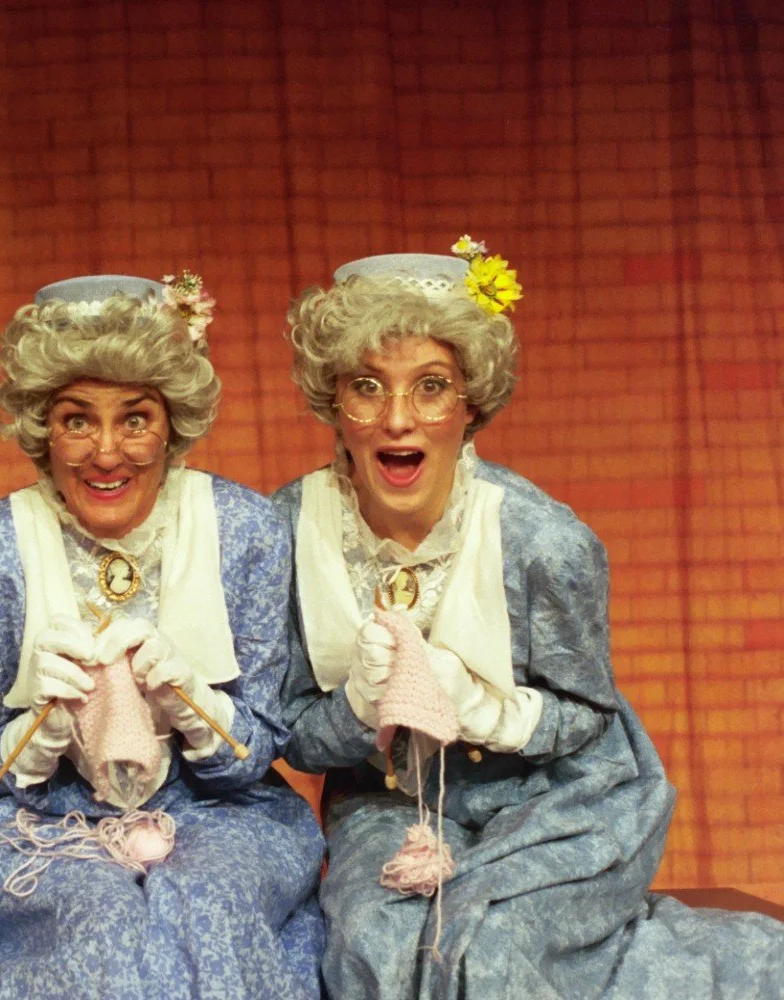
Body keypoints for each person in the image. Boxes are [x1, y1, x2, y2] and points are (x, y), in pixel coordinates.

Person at [272, 239, 784, 998]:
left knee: (487, 947)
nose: (398, 419)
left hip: (561, 795)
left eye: (432, 386)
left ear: (471, 404)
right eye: (367, 388)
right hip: (391, 802)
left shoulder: (546, 542)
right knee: (377, 948)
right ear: (333, 402)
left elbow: (586, 716)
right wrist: (357, 708)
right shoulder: (286, 529)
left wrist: (487, 710)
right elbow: (290, 733)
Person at [0, 274, 326, 999]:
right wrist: (39, 732)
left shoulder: (246, 530)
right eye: (77, 420)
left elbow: (255, 752)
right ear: (43, 427)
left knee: (208, 905)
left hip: (222, 812)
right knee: (98, 921)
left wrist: (191, 703)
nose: (107, 453)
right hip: (43, 822)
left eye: (135, 419)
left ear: (173, 423)